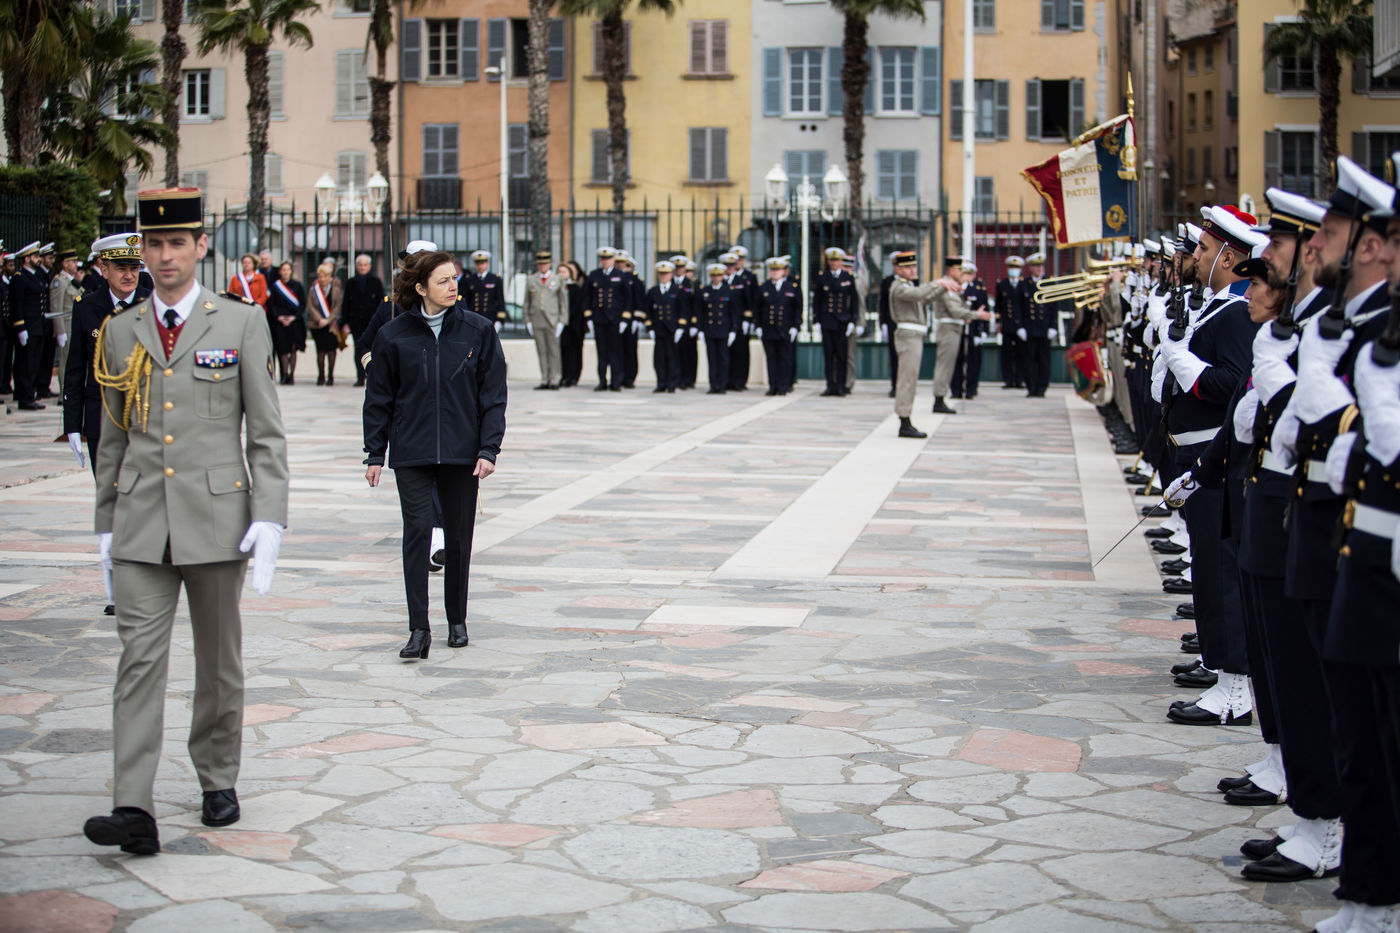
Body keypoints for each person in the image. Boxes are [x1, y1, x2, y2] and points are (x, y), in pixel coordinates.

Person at [82, 186, 289, 855]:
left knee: (219, 663)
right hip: (142, 521)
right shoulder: (119, 331)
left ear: (201, 246)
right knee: (138, 663)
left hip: (217, 520)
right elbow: (113, 439)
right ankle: (132, 805)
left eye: (178, 242)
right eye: (154, 244)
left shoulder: (239, 323)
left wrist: (270, 517)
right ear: (141, 252)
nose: (166, 255)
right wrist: (106, 525)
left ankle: (217, 776)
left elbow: (265, 433)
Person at [363, 250, 507, 660]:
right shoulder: (393, 335)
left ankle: (457, 620)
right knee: (416, 535)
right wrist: (375, 453)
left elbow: (493, 395)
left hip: (463, 453)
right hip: (412, 450)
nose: (452, 286)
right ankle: (418, 629)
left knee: (458, 538)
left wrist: (488, 448)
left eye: (454, 278)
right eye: (442, 280)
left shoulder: (478, 330)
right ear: (421, 288)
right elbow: (379, 397)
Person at [64, 233, 151, 473]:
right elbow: (75, 370)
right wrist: (72, 425)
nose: (129, 275)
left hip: (146, 420)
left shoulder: (155, 304)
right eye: (121, 268)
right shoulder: (86, 307)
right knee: (109, 490)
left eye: (134, 268)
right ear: (104, 269)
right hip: (101, 418)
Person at [887, 250, 951, 438]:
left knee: (911, 378)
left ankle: (906, 419)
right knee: (906, 380)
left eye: (914, 266)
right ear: (898, 269)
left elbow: (925, 298)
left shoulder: (908, 286)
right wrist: (937, 282)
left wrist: (944, 288)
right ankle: (904, 421)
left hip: (915, 335)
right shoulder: (898, 287)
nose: (912, 270)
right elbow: (917, 294)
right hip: (908, 336)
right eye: (907, 267)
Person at [930, 256, 992, 414]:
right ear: (951, 271)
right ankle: (938, 399)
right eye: (959, 270)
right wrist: (977, 315)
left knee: (948, 366)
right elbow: (955, 310)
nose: (962, 274)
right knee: (944, 366)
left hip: (954, 328)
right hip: (948, 329)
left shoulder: (954, 286)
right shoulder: (947, 286)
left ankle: (940, 398)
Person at [584, 247, 629, 391]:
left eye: (608, 258)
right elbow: (587, 297)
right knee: (601, 352)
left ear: (613, 260)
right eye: (603, 259)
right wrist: (589, 317)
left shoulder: (620, 275)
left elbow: (627, 299)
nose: (605, 261)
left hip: (614, 319)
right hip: (599, 319)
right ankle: (602, 380)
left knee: (615, 352)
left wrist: (625, 319)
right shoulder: (594, 275)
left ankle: (616, 381)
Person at [814, 247, 857, 397]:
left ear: (841, 262)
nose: (834, 263)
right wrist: (816, 320)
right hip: (827, 320)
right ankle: (830, 385)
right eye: (832, 260)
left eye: (837, 260)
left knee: (841, 355)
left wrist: (853, 320)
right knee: (829, 355)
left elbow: (853, 300)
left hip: (842, 320)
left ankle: (840, 385)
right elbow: (817, 300)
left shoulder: (847, 277)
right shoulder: (823, 277)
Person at [8, 242, 46, 410]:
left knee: (33, 364)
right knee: (25, 364)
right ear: (26, 259)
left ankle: (29, 395)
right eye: (35, 256)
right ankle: (25, 398)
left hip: (37, 326)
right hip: (27, 327)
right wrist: (20, 327)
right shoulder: (19, 277)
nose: (38, 259)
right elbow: (17, 304)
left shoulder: (35, 276)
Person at [756, 257, 799, 396]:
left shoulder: (791, 287)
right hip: (769, 329)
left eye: (778, 270)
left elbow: (797, 308)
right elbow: (758, 308)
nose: (775, 272)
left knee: (784, 358)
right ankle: (773, 385)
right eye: (773, 270)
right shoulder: (764, 287)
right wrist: (758, 326)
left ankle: (783, 386)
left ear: (783, 271)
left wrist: (795, 326)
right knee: (771, 359)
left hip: (784, 329)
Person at [1017, 252, 1058, 397]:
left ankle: (1042, 387)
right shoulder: (1024, 284)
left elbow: (1054, 307)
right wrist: (1020, 326)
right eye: (1036, 266)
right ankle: (1031, 387)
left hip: (1044, 327)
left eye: (1041, 265)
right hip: (1029, 328)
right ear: (1030, 268)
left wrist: (1053, 326)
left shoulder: (1049, 283)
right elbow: (1018, 307)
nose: (1039, 268)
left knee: (1044, 360)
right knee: (1029, 360)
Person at [524, 250, 566, 390]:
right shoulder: (531, 279)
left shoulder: (557, 279)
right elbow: (527, 301)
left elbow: (563, 301)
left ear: (550, 264)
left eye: (545, 263)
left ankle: (555, 378)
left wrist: (562, 321)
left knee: (554, 351)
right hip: (537, 319)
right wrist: (527, 320)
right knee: (541, 350)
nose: (543, 266)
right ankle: (545, 378)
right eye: (540, 264)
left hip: (552, 319)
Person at [343, 254, 385, 387]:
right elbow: (346, 303)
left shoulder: (376, 282)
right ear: (357, 266)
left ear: (369, 266)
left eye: (365, 265)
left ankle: (373, 375)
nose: (362, 267)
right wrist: (345, 322)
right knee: (358, 349)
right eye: (360, 265)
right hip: (356, 322)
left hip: (372, 321)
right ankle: (360, 377)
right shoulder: (351, 282)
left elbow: (381, 301)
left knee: (374, 349)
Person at [644, 260, 685, 393]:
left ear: (671, 274)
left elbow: (683, 310)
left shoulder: (677, 291)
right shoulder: (653, 291)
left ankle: (672, 383)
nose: (663, 276)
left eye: (666, 273)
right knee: (659, 358)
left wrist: (680, 327)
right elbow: (648, 310)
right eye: (661, 274)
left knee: (672, 357)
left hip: (671, 329)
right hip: (659, 328)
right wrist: (650, 327)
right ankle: (661, 383)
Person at [698, 262, 737, 393]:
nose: (716, 278)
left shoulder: (728, 291)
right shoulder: (705, 291)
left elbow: (733, 312)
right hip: (709, 329)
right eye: (713, 275)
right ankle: (713, 384)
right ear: (710, 276)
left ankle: (722, 385)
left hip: (723, 329)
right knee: (712, 359)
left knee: (723, 359)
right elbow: (700, 312)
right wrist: (700, 330)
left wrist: (733, 330)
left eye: (718, 275)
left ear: (722, 276)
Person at [953, 261, 988, 400]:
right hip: (959, 329)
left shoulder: (978, 288)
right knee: (957, 360)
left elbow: (984, 309)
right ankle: (956, 389)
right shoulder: (956, 288)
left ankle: (971, 389)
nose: (967, 277)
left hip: (974, 330)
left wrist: (983, 330)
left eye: (970, 274)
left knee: (973, 361)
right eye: (965, 274)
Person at [266, 261, 305, 385]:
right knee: (283, 348)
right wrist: (278, 317)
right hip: (280, 322)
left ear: (291, 271)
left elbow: (303, 304)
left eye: (288, 270)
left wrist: (294, 317)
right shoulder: (276, 286)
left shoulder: (297, 285)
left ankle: (292, 375)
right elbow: (272, 304)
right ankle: (284, 374)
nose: (285, 272)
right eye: (283, 270)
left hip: (294, 322)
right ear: (280, 272)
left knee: (293, 348)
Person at [304, 261, 342, 386]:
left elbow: (337, 306)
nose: (323, 279)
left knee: (331, 351)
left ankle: (331, 376)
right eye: (320, 276)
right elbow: (310, 306)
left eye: (325, 276)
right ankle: (321, 376)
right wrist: (319, 319)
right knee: (320, 351)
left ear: (330, 277)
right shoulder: (313, 290)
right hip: (317, 325)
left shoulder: (336, 290)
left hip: (331, 326)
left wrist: (328, 320)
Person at [995, 256, 1029, 389]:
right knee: (1007, 353)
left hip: (1021, 325)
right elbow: (998, 305)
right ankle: (1008, 380)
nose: (1014, 270)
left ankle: (1020, 379)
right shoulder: (1002, 284)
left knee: (1021, 353)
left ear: (1021, 269)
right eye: (1011, 267)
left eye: (1016, 267)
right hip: (1007, 323)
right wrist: (998, 321)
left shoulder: (1025, 284)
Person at [49, 249, 80, 389]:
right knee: (66, 361)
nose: (76, 264)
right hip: (66, 326)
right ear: (65, 264)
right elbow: (57, 308)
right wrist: (60, 331)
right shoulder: (59, 282)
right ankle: (63, 392)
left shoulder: (72, 281)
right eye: (73, 261)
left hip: (74, 325)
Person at [459, 249, 506, 331]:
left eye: (482, 263)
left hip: (490, 317)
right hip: (473, 317)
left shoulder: (494, 279)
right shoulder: (470, 279)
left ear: (487, 264)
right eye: (478, 263)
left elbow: (500, 299)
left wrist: (499, 319)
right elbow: (465, 299)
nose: (480, 266)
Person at [558, 261, 586, 387]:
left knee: (574, 352)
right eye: (559, 272)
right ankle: (563, 375)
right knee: (562, 352)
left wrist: (565, 317)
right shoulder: (556, 287)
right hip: (561, 325)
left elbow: (576, 307)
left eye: (564, 272)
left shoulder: (575, 288)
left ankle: (573, 376)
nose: (561, 274)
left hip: (574, 326)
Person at [878, 266, 898, 398]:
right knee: (894, 357)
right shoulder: (888, 281)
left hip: (906, 325)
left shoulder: (914, 281)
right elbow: (883, 303)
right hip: (892, 323)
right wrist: (883, 323)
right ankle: (895, 386)